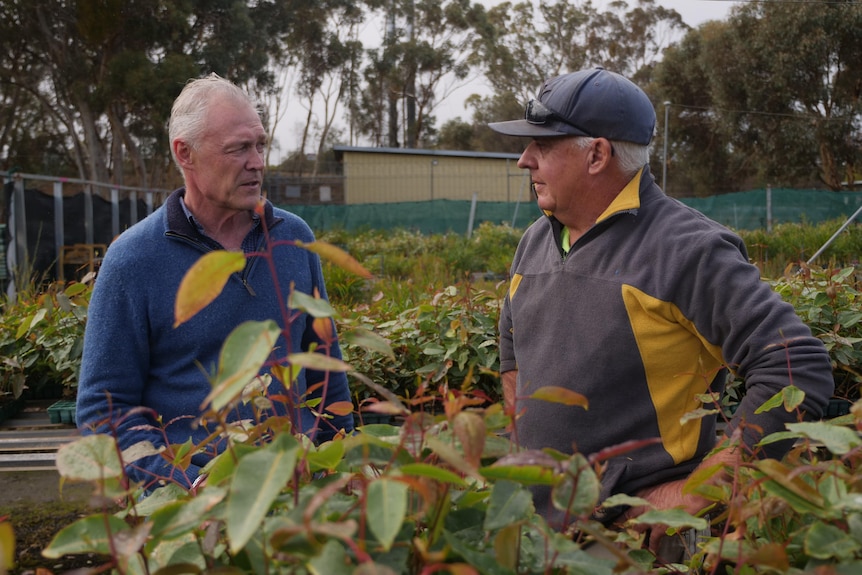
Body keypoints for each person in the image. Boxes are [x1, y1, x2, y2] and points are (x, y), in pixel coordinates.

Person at [488, 67, 834, 559]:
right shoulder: (536, 239)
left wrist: (697, 494)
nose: (524, 160)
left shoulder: (686, 250)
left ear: (597, 154)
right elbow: (512, 338)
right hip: (536, 529)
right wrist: (522, 447)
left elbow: (796, 364)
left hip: (630, 541)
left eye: (542, 146)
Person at [76, 73, 354, 492]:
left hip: (299, 498)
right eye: (239, 148)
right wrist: (185, 485)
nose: (258, 161)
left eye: (260, 144)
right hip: (189, 509)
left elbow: (326, 373)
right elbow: (104, 411)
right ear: (185, 153)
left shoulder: (293, 240)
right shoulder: (133, 261)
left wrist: (339, 465)